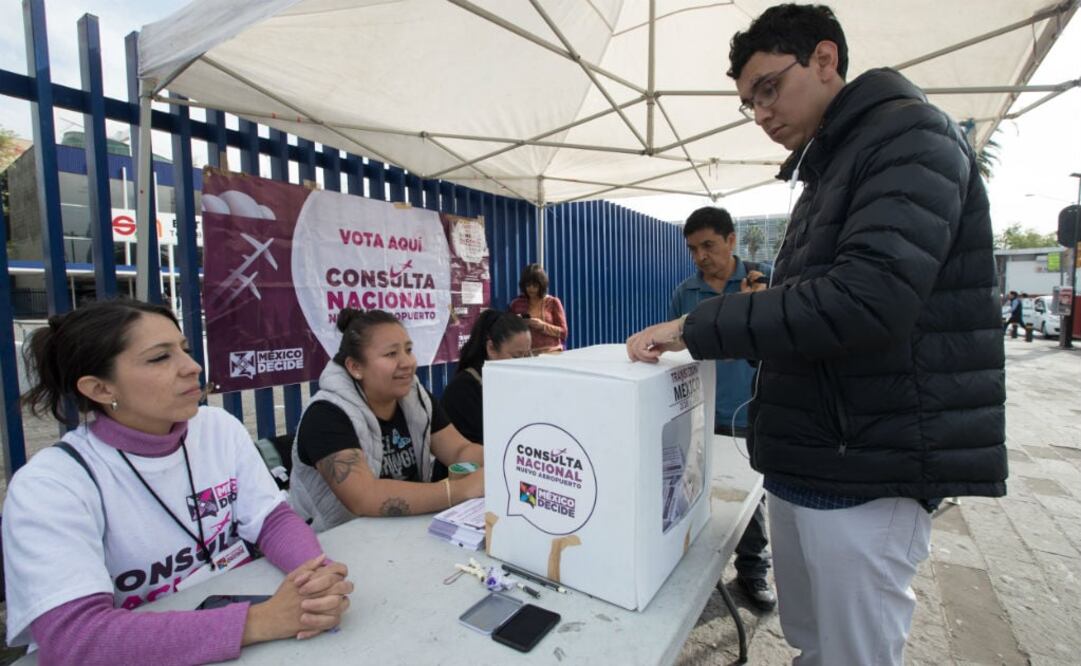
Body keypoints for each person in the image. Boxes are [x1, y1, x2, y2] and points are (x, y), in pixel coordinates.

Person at [626, 4, 1006, 664]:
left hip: (866, 463)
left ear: (824, 59)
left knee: (852, 654)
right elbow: (807, 309)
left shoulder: (909, 138)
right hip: (810, 455)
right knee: (811, 644)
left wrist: (696, 325)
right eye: (749, 102)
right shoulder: (829, 166)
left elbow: (863, 300)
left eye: (769, 88)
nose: (760, 113)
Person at [3, 299, 352, 665]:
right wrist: (262, 621)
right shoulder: (50, 486)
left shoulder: (218, 428)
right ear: (100, 389)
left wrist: (317, 576)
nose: (192, 367)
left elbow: (271, 519)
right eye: (160, 358)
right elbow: (76, 640)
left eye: (185, 349)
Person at [668, 206, 776, 612]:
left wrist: (755, 306)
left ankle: (753, 569)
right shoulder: (686, 292)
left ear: (732, 240)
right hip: (700, 409)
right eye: (693, 249)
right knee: (693, 489)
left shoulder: (764, 280)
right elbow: (679, 351)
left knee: (748, 498)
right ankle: (696, 569)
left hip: (748, 409)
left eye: (708, 246)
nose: (701, 257)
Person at [289, 308, 485, 531]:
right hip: (331, 540)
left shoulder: (416, 398)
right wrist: (458, 491)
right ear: (355, 367)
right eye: (391, 354)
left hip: (402, 532)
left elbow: (459, 450)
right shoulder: (326, 414)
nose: (407, 362)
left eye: (408, 350)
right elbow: (364, 497)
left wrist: (506, 460)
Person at [440, 309, 532, 444]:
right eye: (517, 356)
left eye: (528, 355)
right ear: (491, 349)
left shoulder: (519, 384)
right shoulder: (463, 391)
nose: (525, 363)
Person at [508, 263, 568, 353]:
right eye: (528, 285)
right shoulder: (516, 304)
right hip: (526, 355)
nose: (531, 289)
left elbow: (564, 333)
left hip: (552, 352)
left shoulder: (552, 302)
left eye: (535, 285)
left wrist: (542, 326)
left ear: (542, 285)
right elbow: (508, 331)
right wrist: (518, 323)